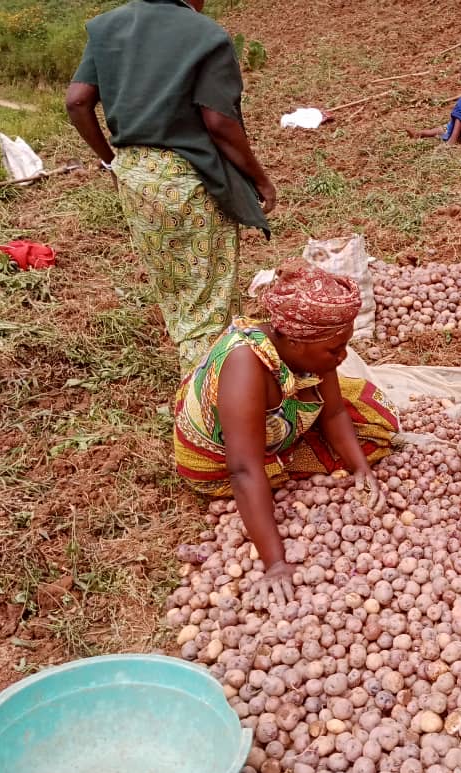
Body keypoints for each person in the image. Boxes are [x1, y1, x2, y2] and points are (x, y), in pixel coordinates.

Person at [65, 0, 276, 372]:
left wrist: (111, 160)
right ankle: (207, 406)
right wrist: (260, 179)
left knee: (176, 290)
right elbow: (219, 123)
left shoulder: (107, 27)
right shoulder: (205, 35)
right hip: (189, 179)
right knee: (207, 302)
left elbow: (77, 101)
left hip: (136, 178)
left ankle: (218, 380)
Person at [174, 263, 399, 606]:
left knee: (376, 421)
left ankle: (288, 451)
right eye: (334, 350)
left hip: (266, 431)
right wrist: (275, 562)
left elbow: (335, 410)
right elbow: (243, 470)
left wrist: (361, 471)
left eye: (344, 346)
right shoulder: (245, 366)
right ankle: (276, 473)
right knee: (258, 472)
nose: (343, 357)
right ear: (295, 340)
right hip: (222, 462)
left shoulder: (309, 352)